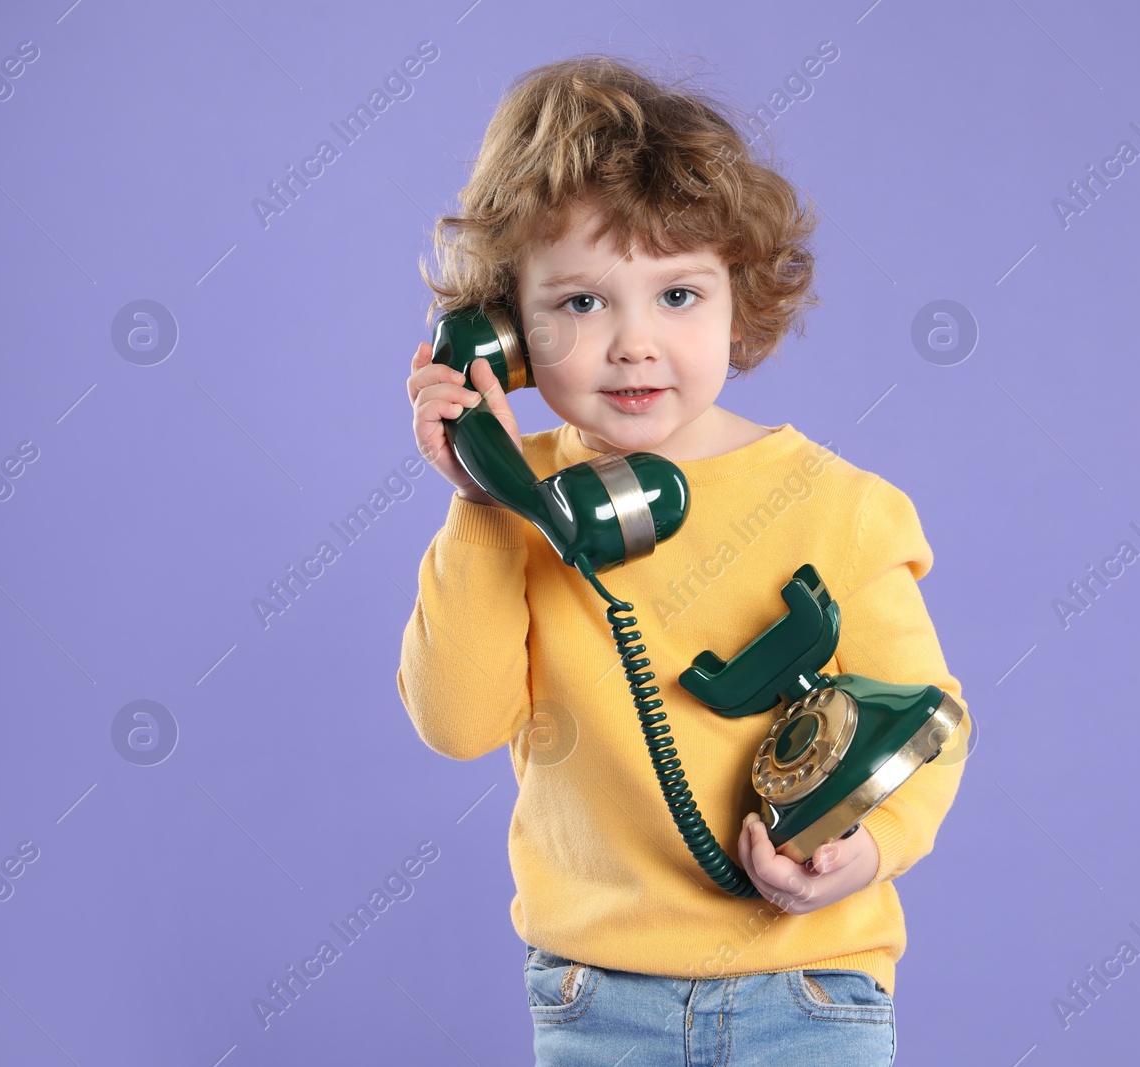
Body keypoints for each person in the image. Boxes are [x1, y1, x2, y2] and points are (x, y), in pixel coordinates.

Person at [398, 53, 970, 1066]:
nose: (631, 343)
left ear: (737, 299)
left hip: (808, 982)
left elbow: (928, 719)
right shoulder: (519, 509)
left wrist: (864, 854)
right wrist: (482, 503)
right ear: (506, 332)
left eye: (676, 294)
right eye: (579, 302)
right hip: (596, 994)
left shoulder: (840, 509)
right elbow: (455, 722)